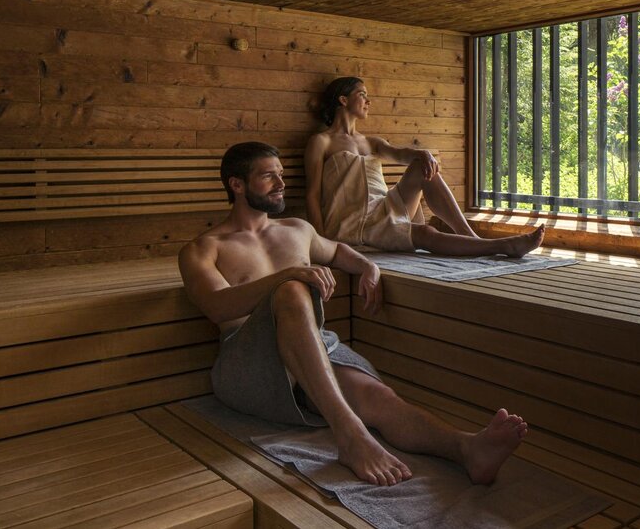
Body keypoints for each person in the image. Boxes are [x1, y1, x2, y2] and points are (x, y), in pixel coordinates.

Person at [178, 141, 528, 486]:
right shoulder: (204, 249)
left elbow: (338, 250)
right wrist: (287, 276)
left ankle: (467, 449)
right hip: (249, 365)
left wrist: (367, 267)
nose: (282, 183)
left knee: (379, 399)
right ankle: (350, 435)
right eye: (269, 176)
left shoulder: (296, 230)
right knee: (290, 292)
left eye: (281, 174)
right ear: (236, 185)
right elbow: (216, 305)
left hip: (314, 349)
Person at [305, 76, 543, 256]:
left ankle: (470, 236)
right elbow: (313, 195)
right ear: (343, 100)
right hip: (354, 224)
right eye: (362, 94)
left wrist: (422, 153)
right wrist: (322, 240)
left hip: (384, 208)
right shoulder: (321, 142)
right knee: (426, 233)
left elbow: (400, 154)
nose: (369, 101)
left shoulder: (370, 142)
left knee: (422, 166)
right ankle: (502, 246)